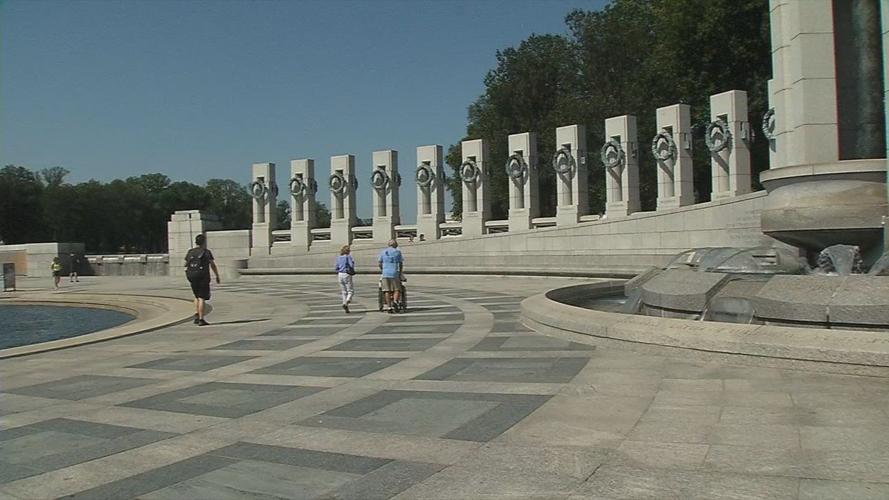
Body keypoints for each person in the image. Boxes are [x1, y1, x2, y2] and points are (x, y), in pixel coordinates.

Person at [184, 234, 220, 326]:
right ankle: (201, 319)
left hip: (192, 276)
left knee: (196, 296)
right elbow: (212, 265)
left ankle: (197, 314)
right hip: (202, 276)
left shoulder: (190, 252)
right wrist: (217, 275)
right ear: (204, 242)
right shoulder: (206, 252)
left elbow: (185, 264)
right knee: (201, 297)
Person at [378, 239, 403, 313]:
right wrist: (400, 272)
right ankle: (395, 301)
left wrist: (383, 269)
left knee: (387, 290)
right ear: (395, 245)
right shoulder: (398, 252)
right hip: (394, 272)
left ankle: (389, 307)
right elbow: (400, 263)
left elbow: (380, 263)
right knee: (397, 289)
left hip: (385, 273)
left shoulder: (383, 252)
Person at [335, 244, 356, 313]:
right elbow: (351, 265)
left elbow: (336, 267)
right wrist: (353, 263)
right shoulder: (348, 257)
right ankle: (347, 301)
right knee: (350, 291)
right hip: (346, 274)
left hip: (340, 274)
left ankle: (344, 304)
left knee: (343, 292)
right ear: (348, 251)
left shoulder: (339, 257)